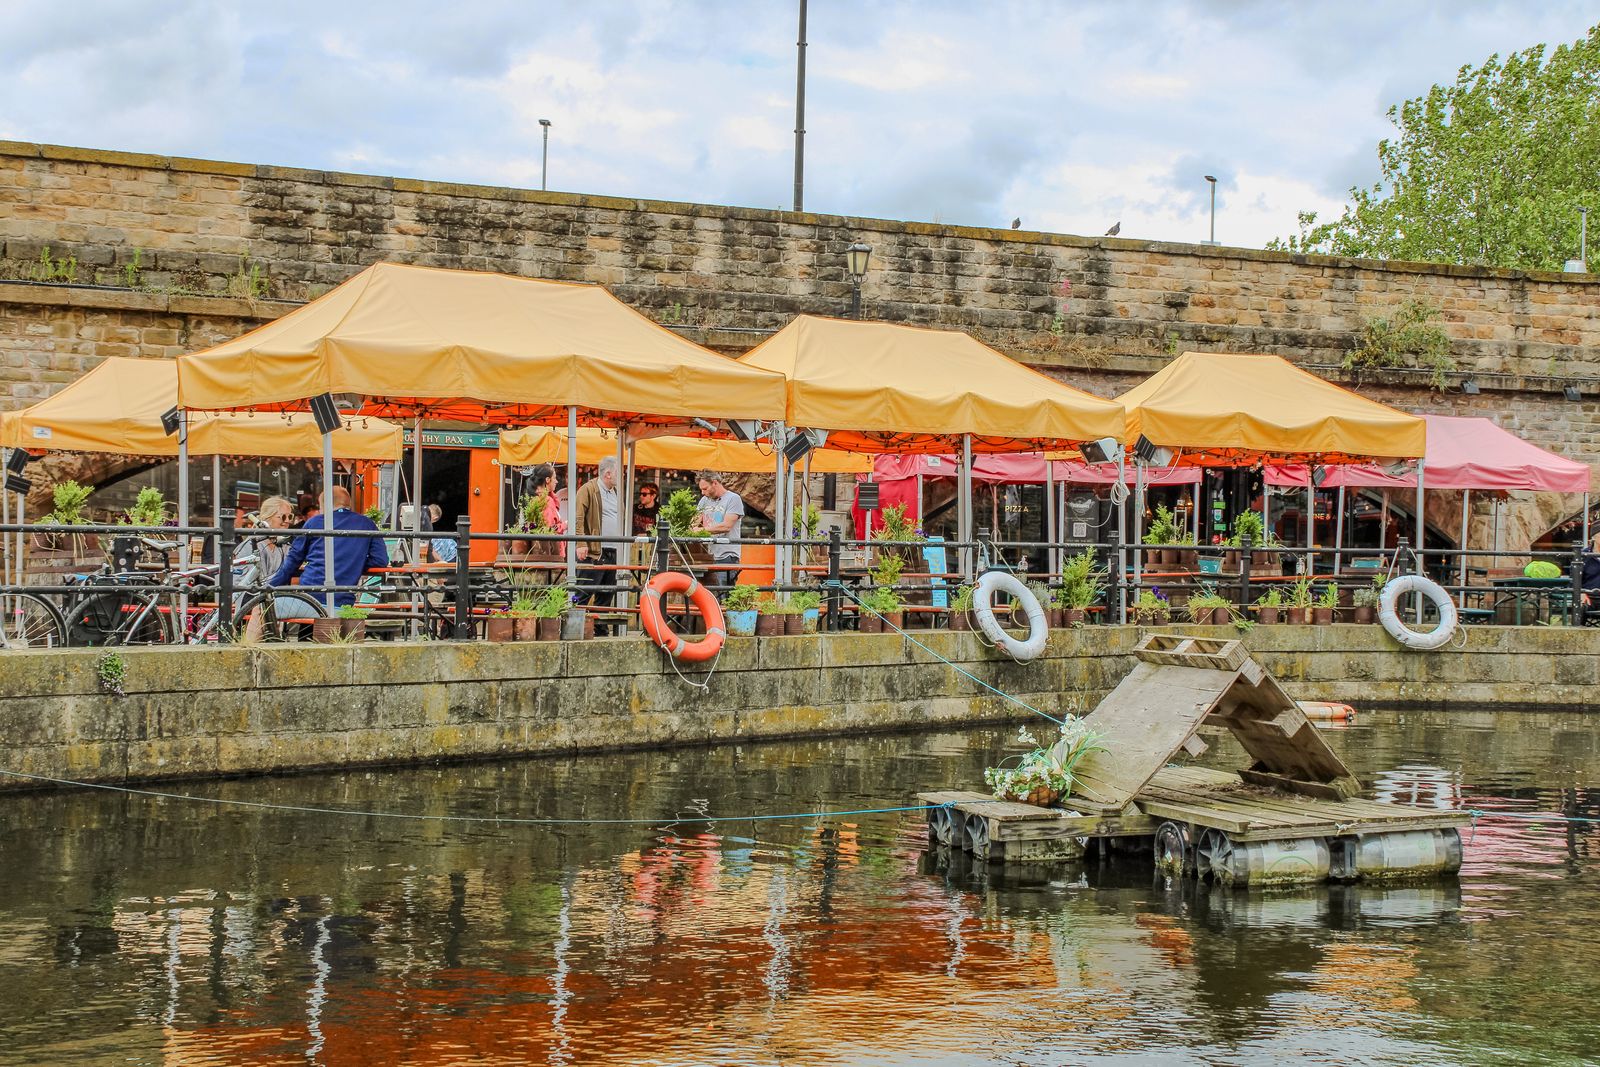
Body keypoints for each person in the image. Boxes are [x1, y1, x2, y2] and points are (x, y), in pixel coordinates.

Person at [269, 485, 389, 610]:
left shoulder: (314, 522)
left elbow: (293, 560)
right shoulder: (367, 524)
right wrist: (354, 562)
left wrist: (270, 587)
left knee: (269, 613)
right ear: (348, 503)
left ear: (324, 505)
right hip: (343, 600)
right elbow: (380, 561)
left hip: (310, 597)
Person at [573, 456, 622, 608]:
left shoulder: (616, 492)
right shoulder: (588, 489)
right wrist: (580, 543)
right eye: (618, 472)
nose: (622, 475)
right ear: (608, 474)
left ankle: (600, 628)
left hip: (613, 550)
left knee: (607, 593)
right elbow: (577, 518)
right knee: (584, 592)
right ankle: (575, 627)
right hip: (594, 551)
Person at [691, 469, 744, 592]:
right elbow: (693, 522)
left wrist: (700, 530)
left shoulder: (733, 499)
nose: (702, 492)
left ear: (715, 483)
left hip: (727, 555)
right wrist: (692, 526)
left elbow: (726, 526)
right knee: (708, 594)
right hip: (708, 555)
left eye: (705, 488)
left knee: (723, 593)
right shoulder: (704, 500)